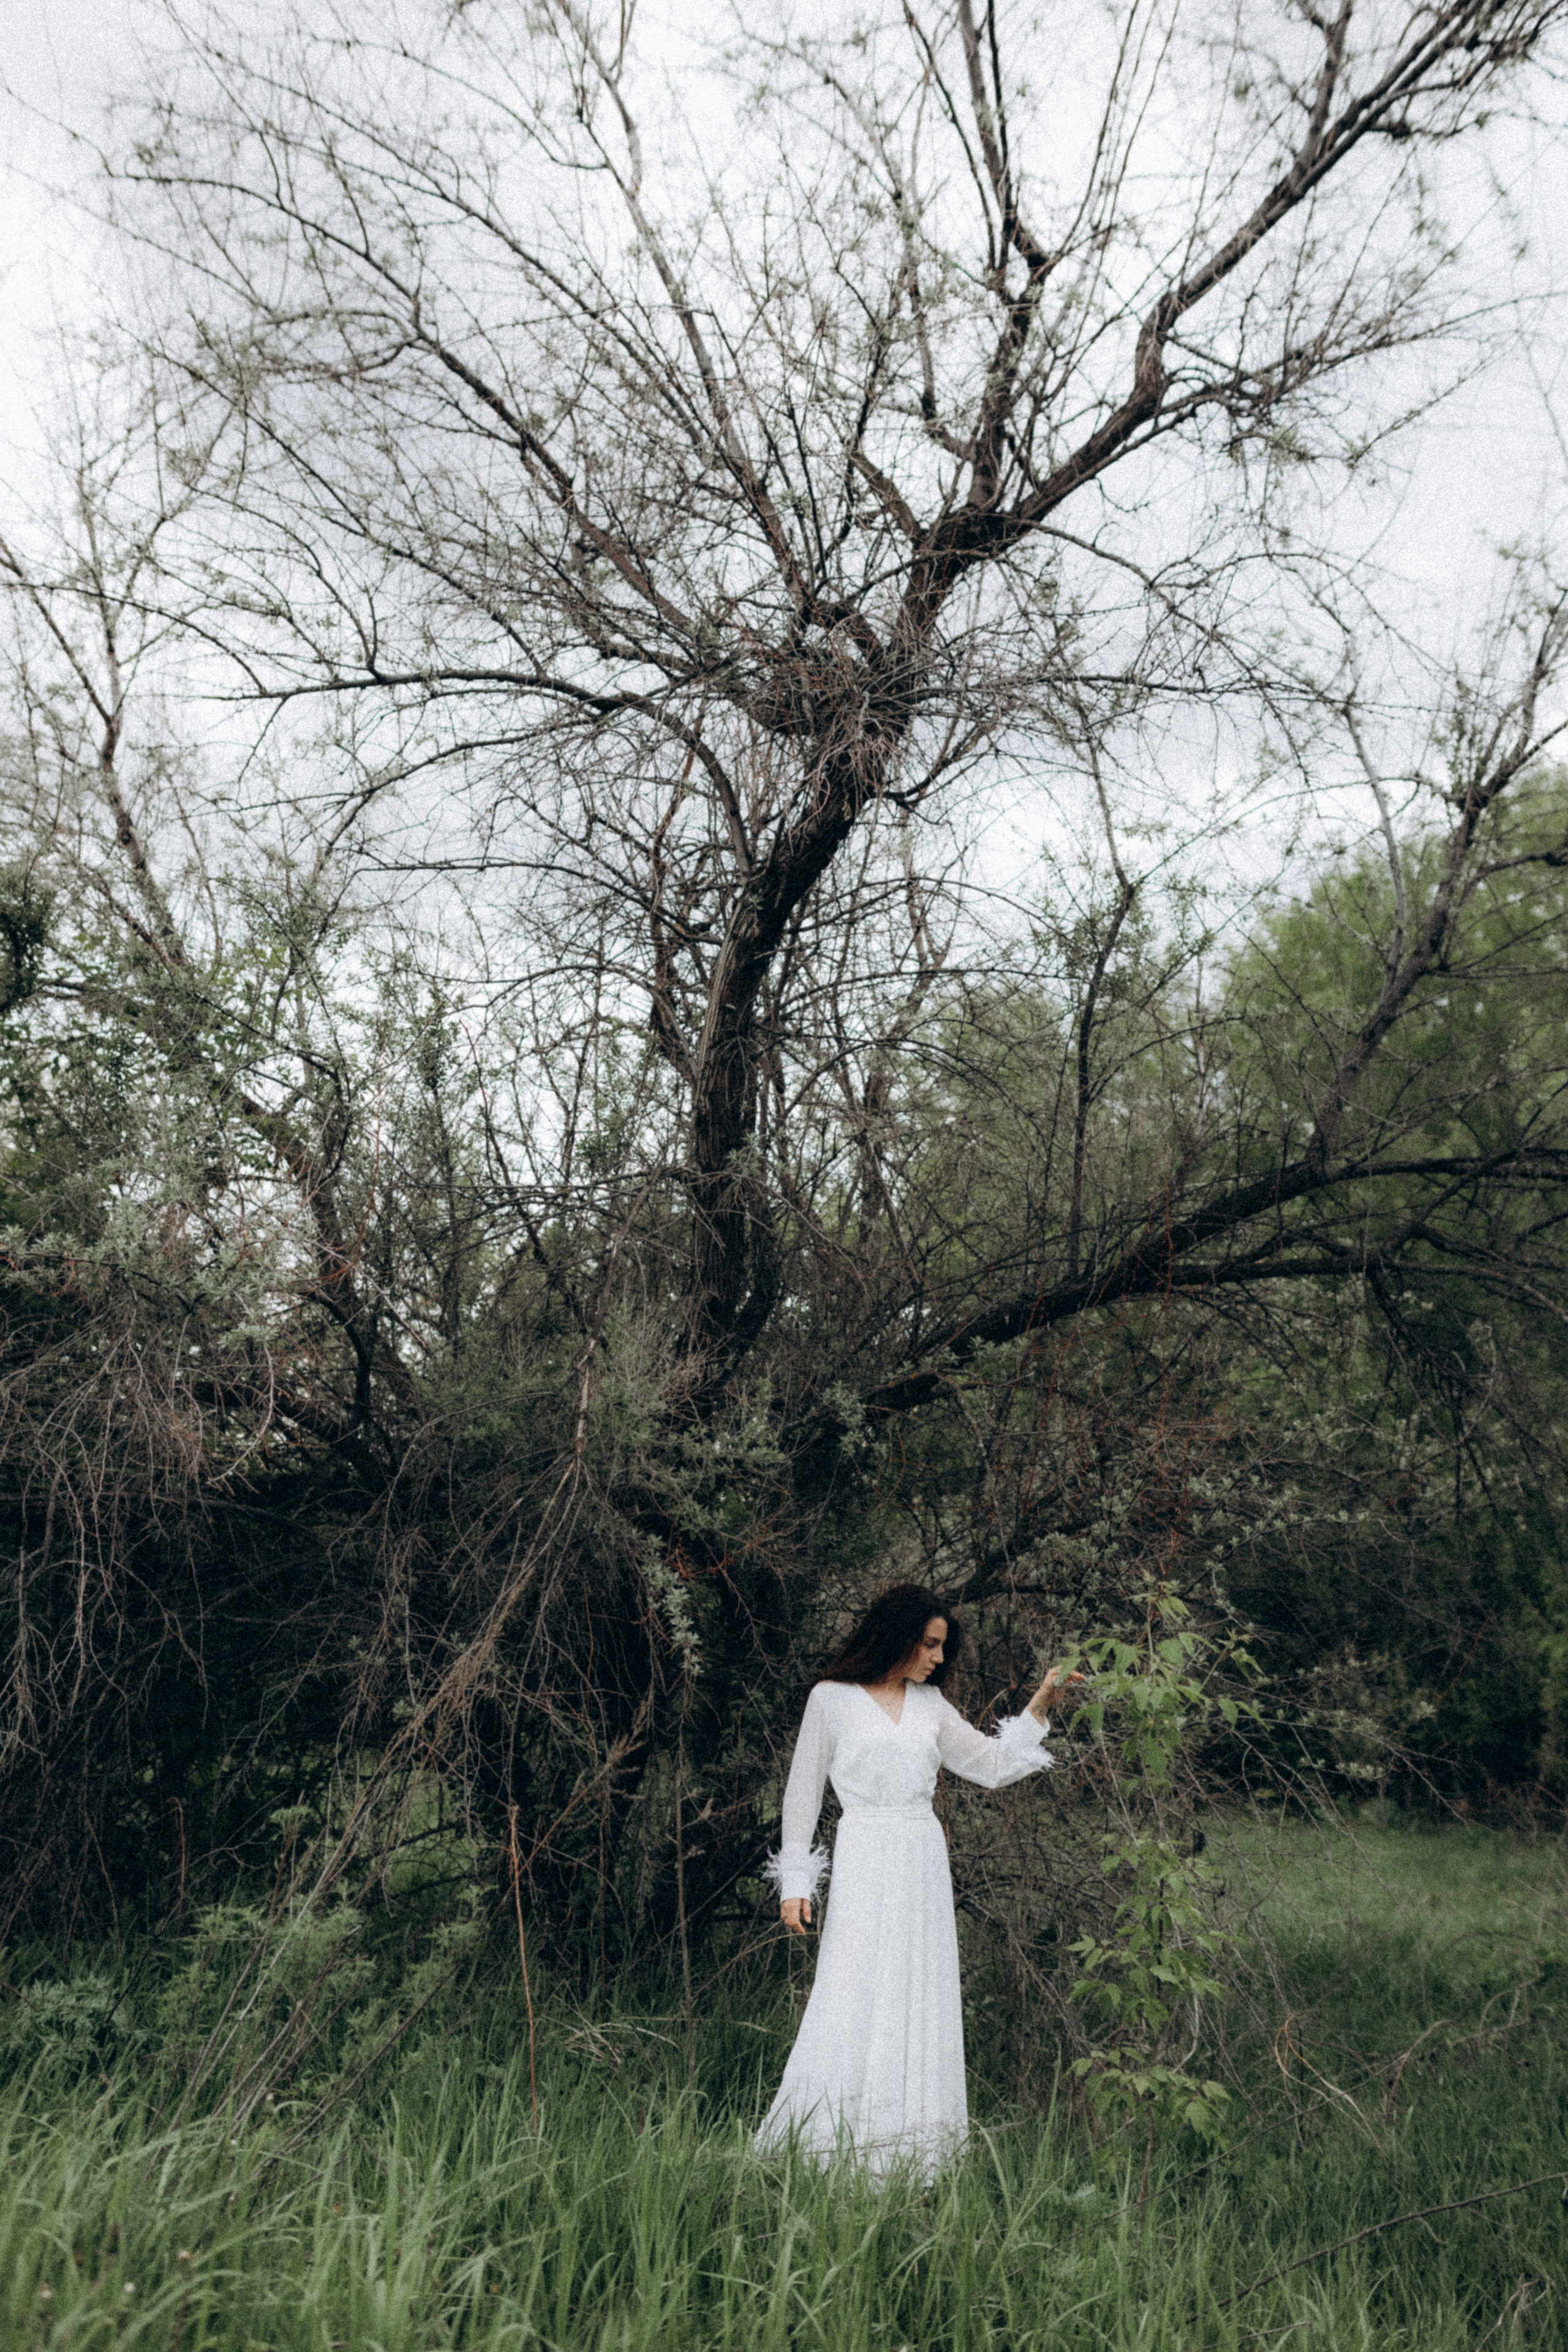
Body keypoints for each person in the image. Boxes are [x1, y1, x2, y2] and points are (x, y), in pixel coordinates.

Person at [756, 1583, 1083, 2180]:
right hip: (864, 1853)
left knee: (918, 1990)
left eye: (942, 1647)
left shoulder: (931, 1706)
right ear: (898, 1635)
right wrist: (795, 1883)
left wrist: (1040, 1705)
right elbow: (802, 1793)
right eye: (930, 1644)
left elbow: (991, 1766)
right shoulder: (831, 1699)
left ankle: (913, 2150)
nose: (938, 1657)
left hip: (920, 1859)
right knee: (851, 1985)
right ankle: (828, 2144)